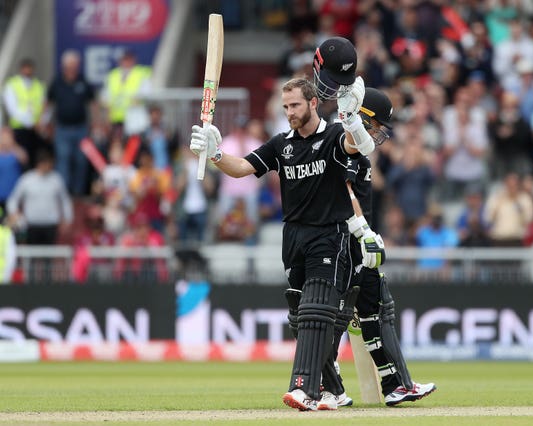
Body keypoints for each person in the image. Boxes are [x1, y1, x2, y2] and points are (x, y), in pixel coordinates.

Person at [190, 42, 375, 411]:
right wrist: (214, 154)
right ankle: (333, 391)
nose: (289, 112)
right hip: (294, 238)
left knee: (316, 310)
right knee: (299, 314)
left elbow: (359, 147)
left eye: (295, 106)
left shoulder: (335, 136)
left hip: (329, 234)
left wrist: (352, 118)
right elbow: (243, 168)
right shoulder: (281, 144)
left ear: (312, 103)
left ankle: (303, 388)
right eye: (285, 106)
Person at [339, 87, 436, 407]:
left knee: (370, 315)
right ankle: (330, 386)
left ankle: (394, 383)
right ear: (362, 117)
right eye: (377, 124)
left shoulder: (356, 148)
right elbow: (346, 190)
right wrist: (363, 230)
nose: (380, 132)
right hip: (351, 243)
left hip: (352, 241)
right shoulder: (347, 147)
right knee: (359, 314)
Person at [45, 49, 96, 195]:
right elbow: (48, 104)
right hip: (62, 129)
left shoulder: (83, 81)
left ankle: (78, 193)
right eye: (69, 66)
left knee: (81, 161)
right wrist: (44, 122)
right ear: (64, 67)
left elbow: (93, 104)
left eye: (75, 66)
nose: (72, 69)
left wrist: (97, 123)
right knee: (63, 161)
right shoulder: (57, 82)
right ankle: (64, 193)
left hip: (81, 128)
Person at [6, 148, 73, 245]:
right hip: (31, 224)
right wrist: (14, 213)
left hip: (51, 224)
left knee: (49, 256)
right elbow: (13, 199)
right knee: (31, 255)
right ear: (40, 163)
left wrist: (68, 218)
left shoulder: (56, 179)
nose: (50, 166)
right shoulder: (27, 179)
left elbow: (65, 200)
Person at [2, 58, 47, 170]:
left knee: (35, 159)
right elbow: (12, 109)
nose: (28, 71)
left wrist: (41, 122)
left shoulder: (39, 85)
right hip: (20, 128)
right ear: (21, 69)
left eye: (30, 68)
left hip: (37, 130)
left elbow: (45, 106)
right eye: (25, 68)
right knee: (20, 160)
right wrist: (31, 123)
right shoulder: (12, 85)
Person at [101, 50, 152, 138]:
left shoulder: (141, 73)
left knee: (134, 144)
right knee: (118, 144)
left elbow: (147, 93)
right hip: (116, 118)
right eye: (123, 60)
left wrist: (137, 100)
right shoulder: (113, 75)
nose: (126, 62)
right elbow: (106, 96)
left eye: (128, 59)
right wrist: (107, 115)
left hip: (135, 118)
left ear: (133, 60)